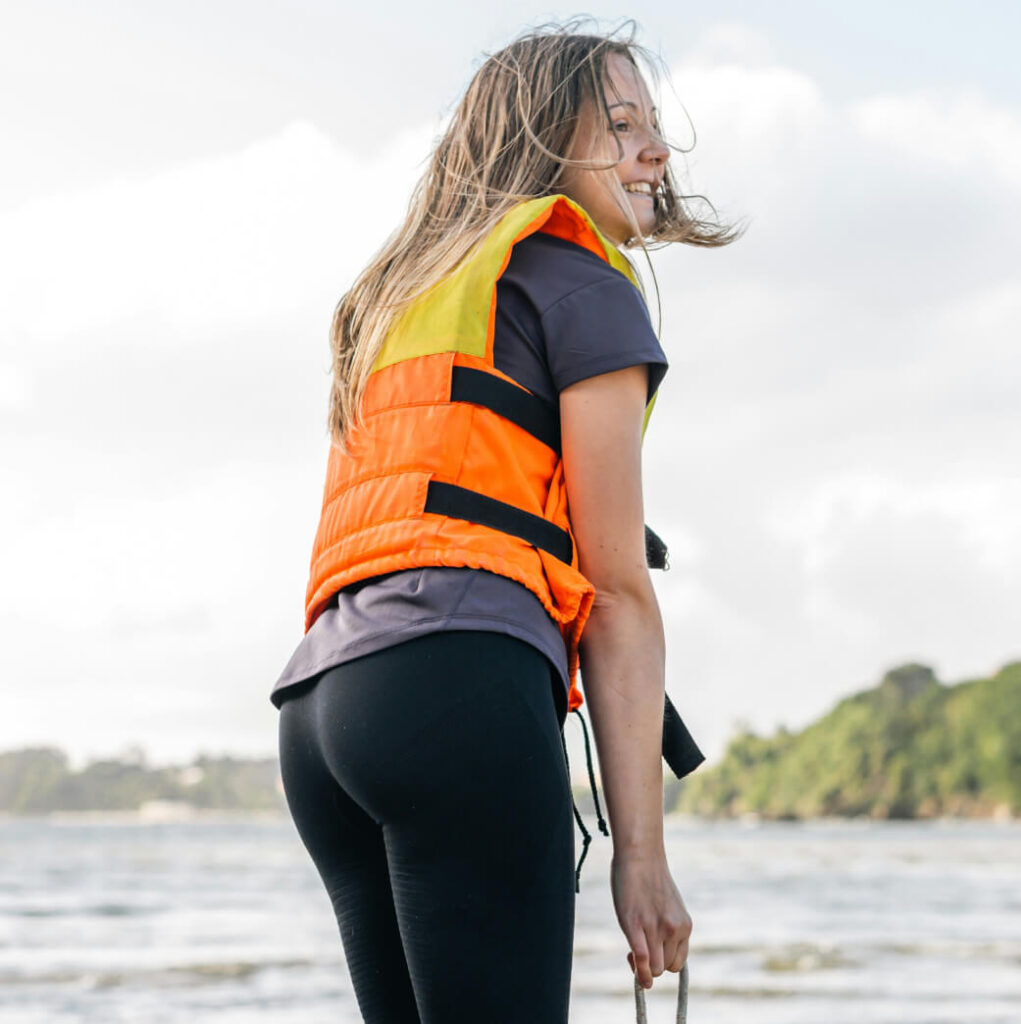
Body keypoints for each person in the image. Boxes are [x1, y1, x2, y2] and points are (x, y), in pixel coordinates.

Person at [272, 21, 738, 1024]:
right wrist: (642, 861)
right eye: (620, 124)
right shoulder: (577, 282)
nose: (654, 148)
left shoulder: (402, 296)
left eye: (654, 126)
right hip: (453, 694)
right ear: (543, 142)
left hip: (322, 717)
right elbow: (615, 593)